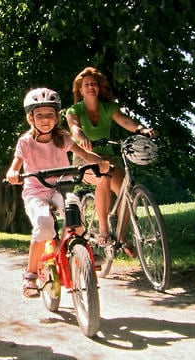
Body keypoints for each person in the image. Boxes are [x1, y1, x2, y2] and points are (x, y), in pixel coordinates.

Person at [5, 88, 110, 299]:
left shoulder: (63, 139)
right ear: (30, 118)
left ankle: (81, 254)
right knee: (44, 224)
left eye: (50, 114)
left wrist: (99, 162)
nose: (45, 120)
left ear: (57, 117)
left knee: (75, 215)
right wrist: (13, 172)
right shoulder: (25, 142)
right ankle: (31, 274)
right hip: (36, 190)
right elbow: (15, 164)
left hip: (61, 187)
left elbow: (84, 154)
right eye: (40, 115)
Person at [65, 66, 158, 257]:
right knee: (103, 177)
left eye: (94, 84)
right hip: (84, 158)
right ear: (80, 90)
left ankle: (122, 237)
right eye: (86, 85)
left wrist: (142, 130)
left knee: (126, 188)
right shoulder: (74, 110)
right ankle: (104, 231)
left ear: (99, 88)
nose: (91, 87)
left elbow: (126, 122)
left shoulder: (109, 107)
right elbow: (74, 128)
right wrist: (82, 137)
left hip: (108, 157)